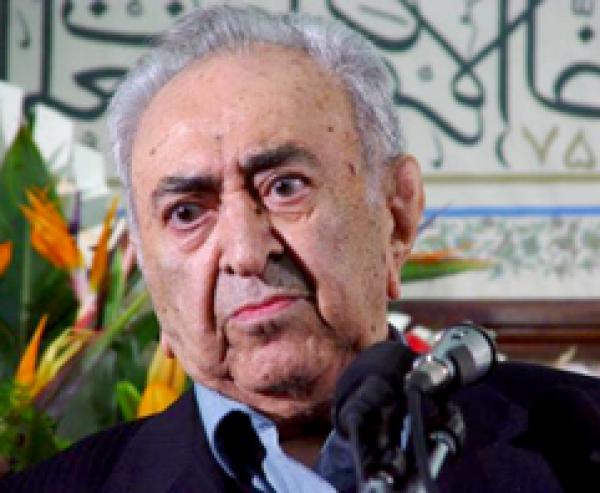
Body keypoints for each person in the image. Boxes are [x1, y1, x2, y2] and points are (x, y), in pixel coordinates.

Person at [2, 5, 600, 493]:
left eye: (285, 187)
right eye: (187, 213)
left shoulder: (578, 443)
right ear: (147, 267)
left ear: (396, 215)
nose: (245, 252)